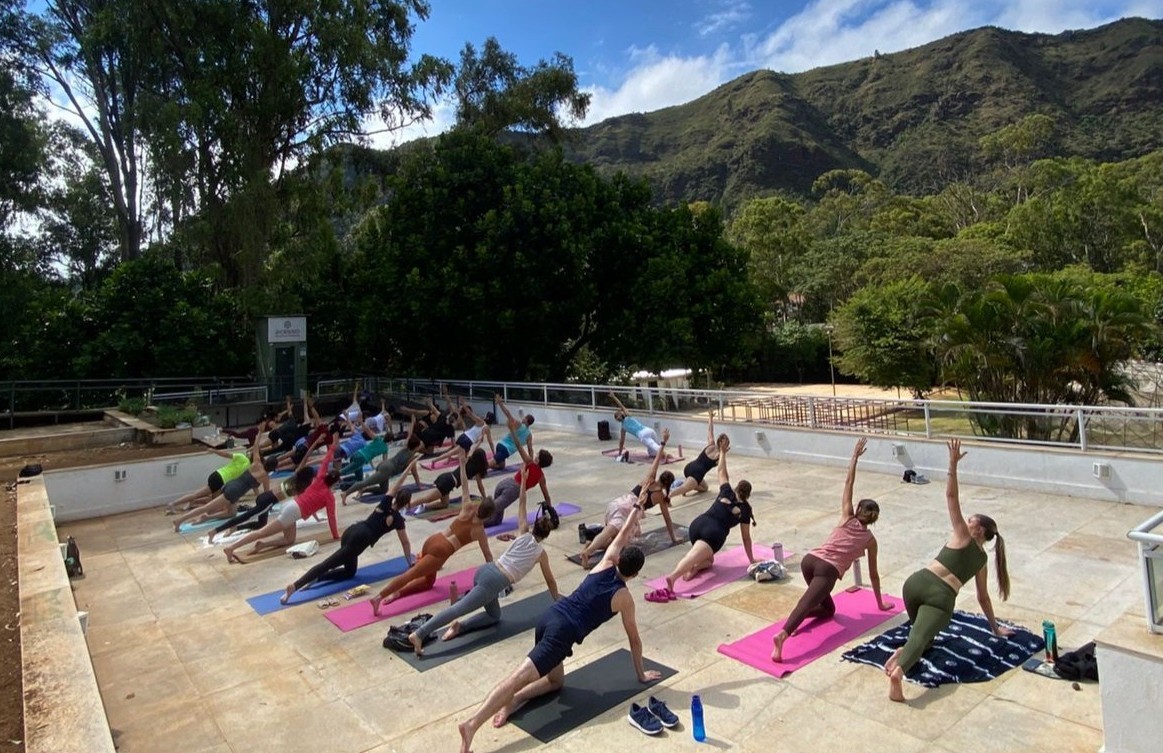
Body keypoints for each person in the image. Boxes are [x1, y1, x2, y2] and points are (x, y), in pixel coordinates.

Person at [456, 500, 660, 753]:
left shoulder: (606, 561)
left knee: (555, 682)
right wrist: (640, 674)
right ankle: (471, 725)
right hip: (560, 634)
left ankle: (513, 701)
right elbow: (634, 640)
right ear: (636, 574)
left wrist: (635, 510)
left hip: (550, 616)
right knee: (517, 677)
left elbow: (623, 532)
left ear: (619, 558)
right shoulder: (624, 599)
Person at [885, 439, 1011, 702]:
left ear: (980, 531)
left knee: (922, 634)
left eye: (970, 521)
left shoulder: (962, 535)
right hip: (939, 598)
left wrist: (952, 466)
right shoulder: (982, 560)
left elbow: (951, 496)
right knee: (922, 636)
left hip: (914, 584)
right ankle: (899, 674)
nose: (966, 522)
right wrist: (995, 629)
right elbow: (983, 597)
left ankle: (903, 651)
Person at [405, 465, 561, 655]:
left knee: (494, 616)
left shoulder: (522, 533)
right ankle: (419, 634)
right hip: (492, 582)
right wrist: (558, 600)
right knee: (458, 609)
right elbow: (551, 581)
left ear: (535, 525)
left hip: (486, 571)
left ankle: (459, 626)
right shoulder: (541, 554)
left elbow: (522, 503)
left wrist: (523, 482)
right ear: (546, 535)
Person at [771, 437, 893, 661]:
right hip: (827, 570)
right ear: (875, 519)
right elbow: (873, 575)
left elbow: (848, 483)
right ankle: (782, 636)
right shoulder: (870, 540)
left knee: (828, 610)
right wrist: (880, 603)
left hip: (809, 561)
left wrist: (854, 457)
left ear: (858, 509)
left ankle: (797, 620)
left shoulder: (847, 515)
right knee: (807, 601)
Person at [369, 450, 496, 616]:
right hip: (440, 552)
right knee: (410, 575)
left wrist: (463, 464)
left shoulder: (467, 507)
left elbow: (464, 484)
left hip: (433, 539)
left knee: (429, 582)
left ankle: (397, 593)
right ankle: (378, 597)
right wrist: (495, 578)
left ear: (479, 506)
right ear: (489, 516)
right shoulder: (480, 531)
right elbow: (488, 557)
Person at [280, 459, 421, 604]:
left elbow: (396, 485)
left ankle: (319, 577)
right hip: (360, 540)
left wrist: (409, 466)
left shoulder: (385, 502)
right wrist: (409, 562)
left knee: (350, 572)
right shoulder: (398, 520)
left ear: (396, 497)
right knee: (328, 563)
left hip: (353, 530)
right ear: (407, 503)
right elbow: (405, 543)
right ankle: (294, 586)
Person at [653, 437, 755, 600]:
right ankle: (673, 577)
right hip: (713, 534)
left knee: (709, 561)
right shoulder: (745, 510)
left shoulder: (726, 491)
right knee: (691, 556)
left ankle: (694, 568)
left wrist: (722, 452)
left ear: (736, 488)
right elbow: (746, 538)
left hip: (697, 525)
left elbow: (721, 471)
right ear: (748, 495)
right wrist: (752, 560)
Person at [222, 432, 343, 563]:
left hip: (291, 506)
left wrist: (331, 448)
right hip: (292, 511)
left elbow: (325, 462)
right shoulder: (329, 497)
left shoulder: (319, 479)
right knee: (261, 532)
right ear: (335, 483)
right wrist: (336, 536)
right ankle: (231, 547)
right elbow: (332, 518)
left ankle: (262, 545)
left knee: (289, 540)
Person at [579, 428, 678, 568]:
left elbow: (657, 460)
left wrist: (663, 442)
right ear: (669, 484)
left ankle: (593, 545)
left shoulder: (649, 480)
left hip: (621, 501)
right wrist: (673, 538)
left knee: (616, 539)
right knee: (614, 534)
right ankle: (588, 552)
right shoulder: (661, 497)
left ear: (660, 477)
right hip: (630, 510)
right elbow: (667, 519)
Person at [171, 432, 276, 532]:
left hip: (231, 485)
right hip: (234, 491)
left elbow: (256, 447)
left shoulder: (256, 463)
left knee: (232, 513)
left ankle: (207, 517)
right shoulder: (265, 478)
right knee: (207, 507)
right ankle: (179, 521)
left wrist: (260, 433)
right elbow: (266, 495)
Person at [207, 464, 317, 545]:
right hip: (267, 502)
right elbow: (303, 503)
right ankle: (214, 531)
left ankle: (235, 528)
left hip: (265, 496)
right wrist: (315, 516)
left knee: (261, 524)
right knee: (243, 517)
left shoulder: (294, 478)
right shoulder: (301, 486)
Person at [483, 417, 552, 529]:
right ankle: (472, 521)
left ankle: (480, 520)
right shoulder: (541, 477)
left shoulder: (529, 462)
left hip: (506, 483)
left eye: (537, 455)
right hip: (513, 491)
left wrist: (512, 431)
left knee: (496, 519)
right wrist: (550, 511)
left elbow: (519, 446)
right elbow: (547, 497)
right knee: (491, 509)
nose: (535, 456)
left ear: (538, 460)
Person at [165, 446, 255, 513]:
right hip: (220, 480)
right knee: (213, 506)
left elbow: (225, 454)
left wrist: (214, 450)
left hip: (216, 475)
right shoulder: (249, 469)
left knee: (203, 496)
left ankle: (186, 502)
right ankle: (176, 503)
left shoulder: (241, 457)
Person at [404, 447, 491, 513]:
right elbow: (480, 486)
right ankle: (406, 506)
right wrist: (484, 497)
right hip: (448, 482)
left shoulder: (468, 459)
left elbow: (474, 450)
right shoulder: (477, 469)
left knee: (444, 504)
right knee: (427, 498)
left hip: (448, 478)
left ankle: (423, 507)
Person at [668, 411, 727, 497]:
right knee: (684, 488)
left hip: (689, 467)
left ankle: (688, 484)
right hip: (697, 473)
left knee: (705, 488)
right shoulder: (719, 455)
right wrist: (724, 453)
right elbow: (722, 469)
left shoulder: (711, 444)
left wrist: (710, 418)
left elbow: (710, 430)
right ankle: (668, 497)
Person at [608, 392, 669, 460]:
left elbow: (621, 442)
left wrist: (619, 453)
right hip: (649, 430)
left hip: (642, 434)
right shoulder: (628, 416)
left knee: (653, 446)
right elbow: (621, 406)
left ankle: (665, 454)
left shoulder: (623, 427)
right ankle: (662, 453)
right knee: (651, 453)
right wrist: (613, 397)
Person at [487, 395, 534, 470]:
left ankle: (483, 465)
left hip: (501, 445)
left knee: (501, 466)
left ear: (526, 419)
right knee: (488, 464)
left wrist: (500, 403)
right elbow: (530, 449)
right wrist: (531, 460)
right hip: (505, 449)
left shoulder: (519, 424)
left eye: (524, 417)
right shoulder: (529, 435)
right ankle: (477, 468)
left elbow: (508, 414)